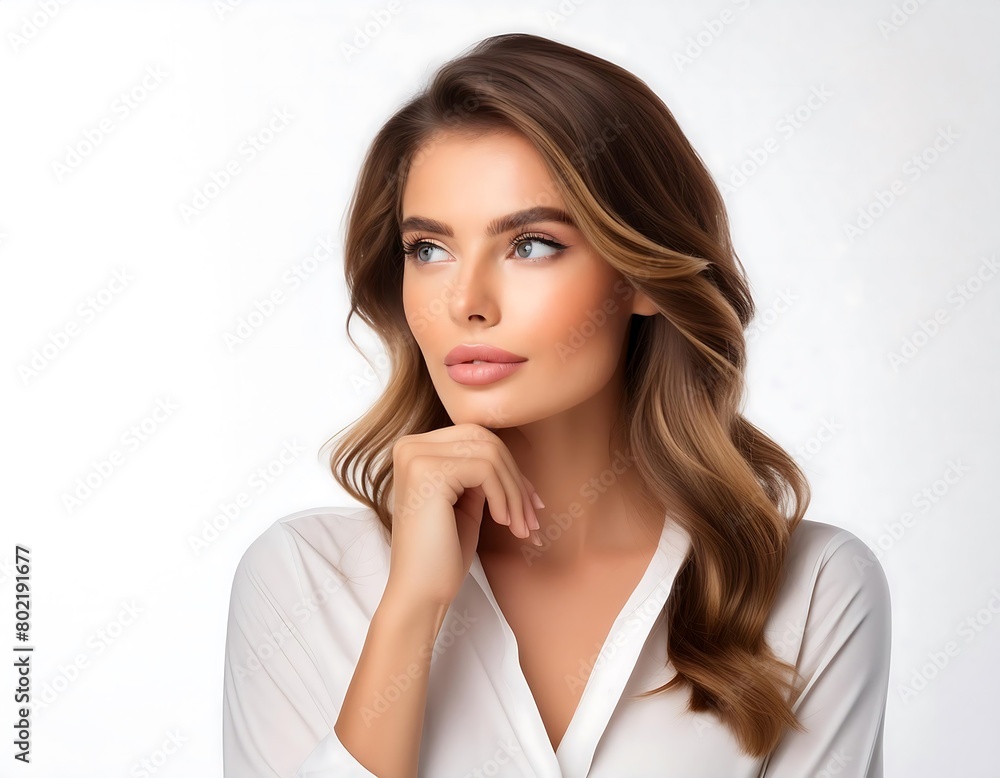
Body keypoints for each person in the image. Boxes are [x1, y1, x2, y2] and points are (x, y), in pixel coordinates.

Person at [222, 32, 891, 778]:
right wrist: (411, 610)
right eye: (429, 250)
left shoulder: (812, 588)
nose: (466, 302)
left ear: (639, 274)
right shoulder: (304, 580)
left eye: (531, 244)